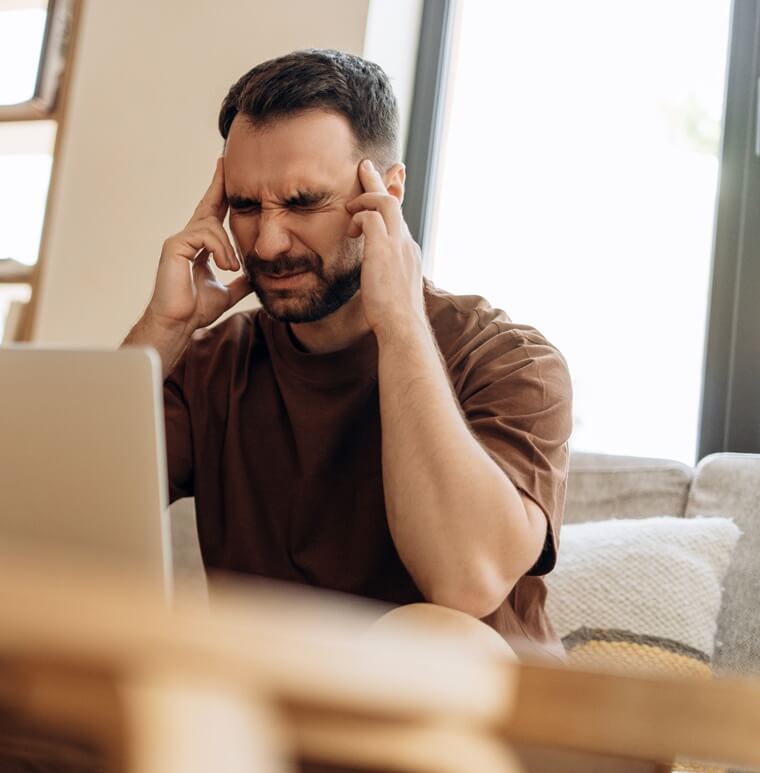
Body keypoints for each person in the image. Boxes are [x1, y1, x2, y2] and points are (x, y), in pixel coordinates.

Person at [123, 48, 573, 660]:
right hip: (266, 714)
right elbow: (44, 530)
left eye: (305, 202)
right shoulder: (209, 363)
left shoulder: (512, 362)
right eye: (248, 206)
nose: (270, 240)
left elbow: (465, 581)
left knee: (431, 639)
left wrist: (400, 324)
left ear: (384, 194)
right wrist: (165, 328)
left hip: (480, 732)